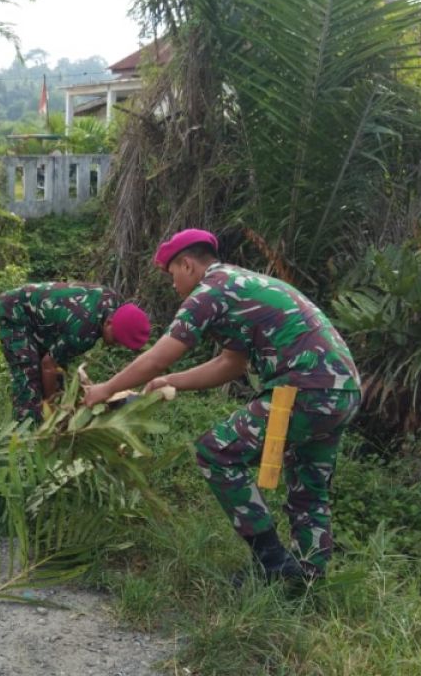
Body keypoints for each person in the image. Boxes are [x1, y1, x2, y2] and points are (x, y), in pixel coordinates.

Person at [82, 229, 362, 583]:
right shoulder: (241, 283)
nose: (172, 285)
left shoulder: (209, 292)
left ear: (187, 265)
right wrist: (172, 382)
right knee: (308, 484)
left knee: (216, 451)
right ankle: (306, 579)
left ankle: (273, 564)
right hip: (342, 389)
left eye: (172, 275)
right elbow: (230, 364)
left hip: (304, 389)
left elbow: (156, 359)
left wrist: (103, 390)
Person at [0, 283, 151, 421]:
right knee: (28, 377)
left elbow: (57, 362)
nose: (116, 345)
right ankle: (25, 436)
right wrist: (52, 407)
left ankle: (50, 422)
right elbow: (49, 365)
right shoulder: (84, 331)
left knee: (57, 381)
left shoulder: (113, 304)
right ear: (109, 323)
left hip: (41, 320)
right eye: (116, 340)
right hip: (14, 311)